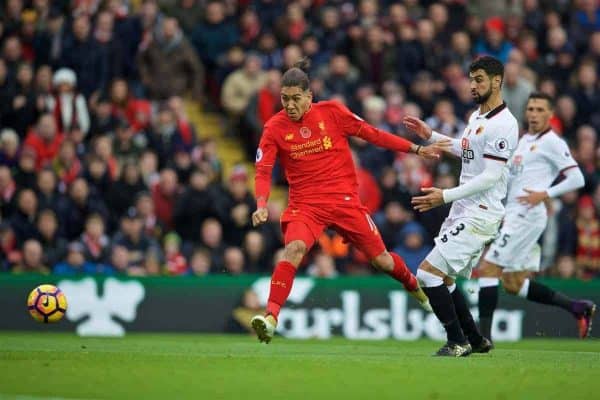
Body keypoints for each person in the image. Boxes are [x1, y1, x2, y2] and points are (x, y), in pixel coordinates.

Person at [250, 58, 449, 344]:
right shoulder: (274, 127)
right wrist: (260, 203)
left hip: (344, 201)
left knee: (382, 261)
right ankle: (270, 318)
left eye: (295, 99)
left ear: (310, 96)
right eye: (284, 99)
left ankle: (414, 286)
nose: (289, 105)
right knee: (293, 249)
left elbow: (374, 135)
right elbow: (263, 169)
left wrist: (416, 149)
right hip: (305, 206)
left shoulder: (332, 112)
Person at [404, 56, 519, 356]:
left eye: (479, 79)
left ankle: (457, 341)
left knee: (427, 274)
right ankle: (476, 338)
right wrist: (431, 136)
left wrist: (445, 195)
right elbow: (465, 149)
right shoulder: (477, 117)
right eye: (471, 79)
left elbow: (491, 176)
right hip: (464, 209)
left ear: (497, 81)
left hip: (480, 213)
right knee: (445, 279)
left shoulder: (505, 124)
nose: (472, 85)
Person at [477, 92, 595, 341]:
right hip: (515, 213)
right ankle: (577, 307)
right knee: (513, 283)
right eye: (530, 109)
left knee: (488, 269)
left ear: (550, 114)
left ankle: (481, 339)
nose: (533, 114)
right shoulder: (524, 140)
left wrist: (545, 193)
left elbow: (577, 178)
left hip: (527, 215)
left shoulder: (553, 142)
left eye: (540, 109)